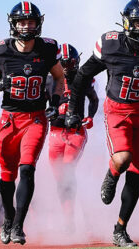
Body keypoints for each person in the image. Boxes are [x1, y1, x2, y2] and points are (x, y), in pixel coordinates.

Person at [65, 0, 139, 247]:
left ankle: (120, 229)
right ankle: (112, 173)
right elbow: (82, 76)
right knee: (123, 157)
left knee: (138, 173)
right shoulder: (110, 44)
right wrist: (74, 109)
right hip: (118, 111)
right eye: (138, 23)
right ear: (127, 23)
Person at [0, 1, 64, 245]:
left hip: (35, 118)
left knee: (27, 168)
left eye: (31, 21)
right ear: (13, 24)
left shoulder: (48, 48)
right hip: (10, 120)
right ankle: (8, 218)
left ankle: (18, 226)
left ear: (39, 23)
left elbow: (59, 78)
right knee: (7, 174)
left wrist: (55, 102)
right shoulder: (1, 50)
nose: (27, 26)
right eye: (22, 22)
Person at [47, 43, 98, 232]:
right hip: (55, 131)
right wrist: (49, 112)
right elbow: (41, 104)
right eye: (64, 63)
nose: (67, 67)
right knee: (60, 177)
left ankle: (79, 217)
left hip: (75, 131)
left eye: (71, 63)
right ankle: (68, 216)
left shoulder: (83, 78)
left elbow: (93, 99)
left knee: (68, 169)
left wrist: (90, 117)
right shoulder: (49, 79)